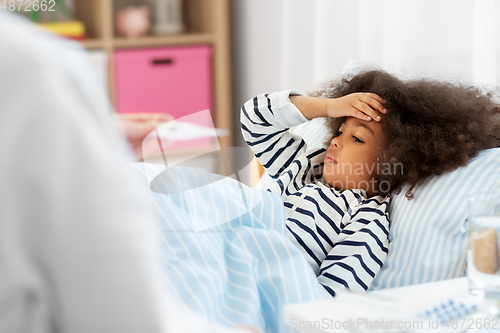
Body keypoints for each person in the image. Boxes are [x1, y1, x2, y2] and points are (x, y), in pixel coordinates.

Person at [0, 12, 254, 333]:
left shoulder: (34, 77)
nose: (334, 146)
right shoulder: (37, 74)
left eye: (341, 137)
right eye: (338, 134)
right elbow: (125, 318)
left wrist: (95, 131)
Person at [241, 69, 500, 296]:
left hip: (255, 284)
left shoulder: (366, 221)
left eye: (357, 138)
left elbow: (331, 299)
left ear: (390, 164)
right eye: (340, 131)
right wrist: (330, 106)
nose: (335, 141)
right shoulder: (304, 167)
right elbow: (254, 120)